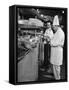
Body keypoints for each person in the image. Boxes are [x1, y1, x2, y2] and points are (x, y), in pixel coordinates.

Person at [50, 15, 65, 80]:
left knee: (56, 66)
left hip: (57, 51)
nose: (53, 28)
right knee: (55, 66)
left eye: (53, 27)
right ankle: (55, 77)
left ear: (56, 26)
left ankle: (57, 79)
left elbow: (55, 43)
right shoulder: (57, 32)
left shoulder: (60, 32)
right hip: (55, 51)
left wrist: (50, 42)